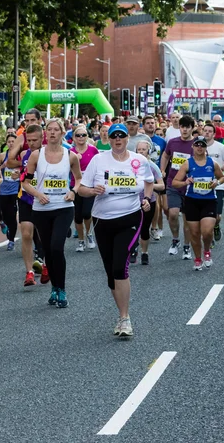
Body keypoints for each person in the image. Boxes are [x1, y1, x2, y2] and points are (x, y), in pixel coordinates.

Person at [78, 123, 154, 337]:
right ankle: (121, 315)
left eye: (121, 136)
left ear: (127, 138)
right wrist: (93, 190)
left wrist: (146, 199)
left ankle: (124, 318)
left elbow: (149, 182)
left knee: (121, 267)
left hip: (130, 217)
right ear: (109, 139)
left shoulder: (138, 161)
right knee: (111, 272)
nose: (118, 139)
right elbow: (81, 189)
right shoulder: (98, 160)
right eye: (114, 136)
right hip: (102, 220)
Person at [22, 119, 82, 308]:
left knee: (57, 247)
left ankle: (61, 289)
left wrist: (73, 191)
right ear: (45, 133)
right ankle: (54, 288)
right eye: (50, 130)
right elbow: (25, 182)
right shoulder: (35, 155)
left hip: (63, 207)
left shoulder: (70, 156)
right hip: (41, 209)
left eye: (57, 130)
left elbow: (79, 179)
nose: (53, 133)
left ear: (63, 133)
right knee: (48, 250)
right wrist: (38, 194)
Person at [172, 136, 224, 270]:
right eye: (197, 145)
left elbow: (222, 176)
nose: (200, 147)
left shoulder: (212, 163)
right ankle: (197, 259)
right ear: (193, 147)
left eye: (202, 145)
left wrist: (217, 182)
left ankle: (207, 251)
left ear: (206, 147)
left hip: (209, 201)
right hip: (192, 201)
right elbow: (174, 182)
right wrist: (185, 182)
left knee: (206, 232)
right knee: (194, 233)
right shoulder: (187, 163)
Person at [161, 115, 195, 259]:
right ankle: (175, 240)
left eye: (187, 127)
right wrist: (162, 170)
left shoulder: (197, 144)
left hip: (189, 186)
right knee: (173, 213)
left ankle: (187, 247)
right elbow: (165, 156)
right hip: (173, 182)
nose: (184, 129)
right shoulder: (172, 142)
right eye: (182, 126)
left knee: (187, 219)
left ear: (192, 128)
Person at [18, 124, 48, 286]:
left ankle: (45, 265)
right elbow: (23, 174)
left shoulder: (48, 155)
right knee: (26, 234)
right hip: (26, 199)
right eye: (28, 140)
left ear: (42, 138)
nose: (31, 143)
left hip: (44, 200)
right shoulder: (24, 154)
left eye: (34, 140)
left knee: (44, 236)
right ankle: (29, 272)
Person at [134, 140, 165, 265]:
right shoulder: (131, 164)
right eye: (139, 149)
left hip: (148, 201)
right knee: (133, 227)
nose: (141, 152)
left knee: (144, 228)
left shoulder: (152, 166)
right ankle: (133, 248)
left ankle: (144, 252)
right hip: (133, 201)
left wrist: (150, 186)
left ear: (149, 151)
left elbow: (162, 186)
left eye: (144, 149)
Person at [69, 124, 99, 252]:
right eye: (78, 135)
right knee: (77, 216)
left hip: (89, 185)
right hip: (74, 185)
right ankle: (81, 241)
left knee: (87, 213)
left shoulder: (93, 150)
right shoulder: (70, 152)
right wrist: (74, 161)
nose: (81, 137)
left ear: (87, 137)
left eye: (83, 135)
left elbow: (99, 165)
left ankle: (89, 234)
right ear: (74, 138)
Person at [203, 122, 224, 242]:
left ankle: (216, 226)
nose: (207, 133)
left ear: (214, 134)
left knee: (217, 216)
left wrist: (219, 171)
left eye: (210, 131)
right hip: (202, 185)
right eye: (205, 130)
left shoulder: (220, 147)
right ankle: (208, 237)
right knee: (204, 215)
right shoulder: (198, 146)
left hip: (218, 184)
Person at [142, 115, 167, 240]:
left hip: (155, 174)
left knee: (156, 201)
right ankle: (143, 226)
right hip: (140, 174)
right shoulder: (139, 139)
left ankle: (154, 227)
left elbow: (165, 157)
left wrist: (162, 170)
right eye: (148, 123)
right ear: (143, 125)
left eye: (152, 122)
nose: (151, 125)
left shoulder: (161, 141)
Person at [0, 134, 21, 251]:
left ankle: (11, 240)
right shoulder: (2, 155)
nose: (11, 143)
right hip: (3, 190)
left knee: (12, 214)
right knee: (4, 215)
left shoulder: (20, 156)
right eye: (9, 141)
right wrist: (3, 166)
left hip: (15, 190)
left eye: (13, 141)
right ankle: (8, 228)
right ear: (6, 144)